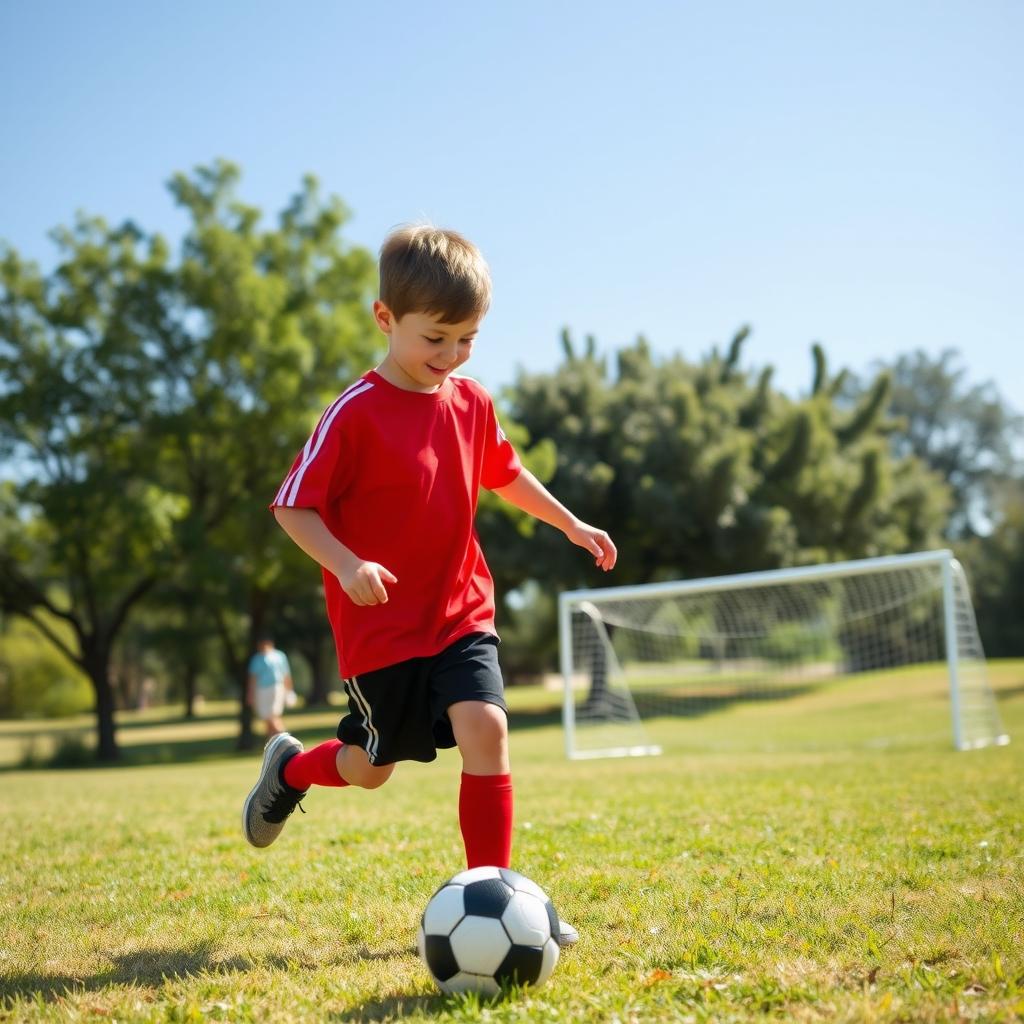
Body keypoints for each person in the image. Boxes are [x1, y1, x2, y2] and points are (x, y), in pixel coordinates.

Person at [242, 225, 616, 947]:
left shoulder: (471, 401)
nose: (450, 357)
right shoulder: (354, 412)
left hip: (460, 612)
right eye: (435, 339)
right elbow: (293, 503)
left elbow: (504, 472)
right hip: (381, 630)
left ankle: (503, 901)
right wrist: (347, 565)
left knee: (488, 728)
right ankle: (291, 769)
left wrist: (570, 523)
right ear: (386, 319)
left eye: (467, 340)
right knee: (371, 767)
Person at [246, 638, 296, 737]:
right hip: (268, 690)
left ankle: (286, 739)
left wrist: (289, 691)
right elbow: (253, 678)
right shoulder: (260, 658)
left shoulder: (275, 656)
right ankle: (273, 743)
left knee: (272, 717)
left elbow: (286, 675)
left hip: (272, 689)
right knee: (268, 719)